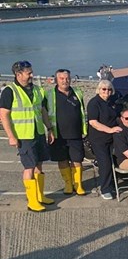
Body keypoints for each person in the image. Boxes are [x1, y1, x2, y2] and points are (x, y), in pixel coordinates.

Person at [0, 61, 55, 211]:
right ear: (18, 74)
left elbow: (42, 110)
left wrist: (49, 129)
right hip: (23, 135)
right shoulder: (9, 91)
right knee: (29, 166)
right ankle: (32, 201)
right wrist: (11, 136)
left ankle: (39, 196)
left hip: (38, 132)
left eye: (31, 72)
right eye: (28, 73)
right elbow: (4, 115)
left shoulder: (37, 90)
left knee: (39, 164)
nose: (32, 75)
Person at [46, 68, 87, 196]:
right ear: (56, 80)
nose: (65, 81)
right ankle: (68, 184)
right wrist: (49, 130)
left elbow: (82, 111)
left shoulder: (78, 92)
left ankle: (78, 184)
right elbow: (44, 113)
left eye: (67, 78)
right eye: (62, 78)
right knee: (62, 159)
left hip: (75, 134)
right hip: (58, 134)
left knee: (77, 160)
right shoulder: (49, 94)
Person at [87, 79, 122, 200]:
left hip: (112, 138)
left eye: (109, 89)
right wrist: (110, 130)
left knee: (116, 158)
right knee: (105, 163)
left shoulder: (111, 102)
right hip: (99, 139)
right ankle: (105, 189)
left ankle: (112, 181)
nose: (106, 91)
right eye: (104, 89)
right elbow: (93, 122)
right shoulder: (94, 103)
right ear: (99, 90)